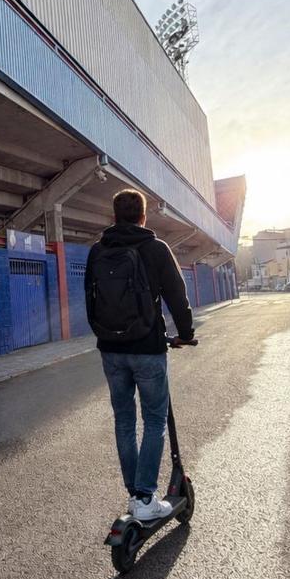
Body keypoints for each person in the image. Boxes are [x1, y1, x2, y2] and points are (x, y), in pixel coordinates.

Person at [85, 188, 194, 521]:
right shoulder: (155, 248)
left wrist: (103, 334)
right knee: (154, 420)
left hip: (110, 350)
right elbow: (177, 295)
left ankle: (135, 494)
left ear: (114, 216)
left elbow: (89, 296)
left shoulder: (97, 251)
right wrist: (186, 334)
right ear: (143, 217)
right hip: (147, 347)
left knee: (124, 421)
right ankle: (146, 498)